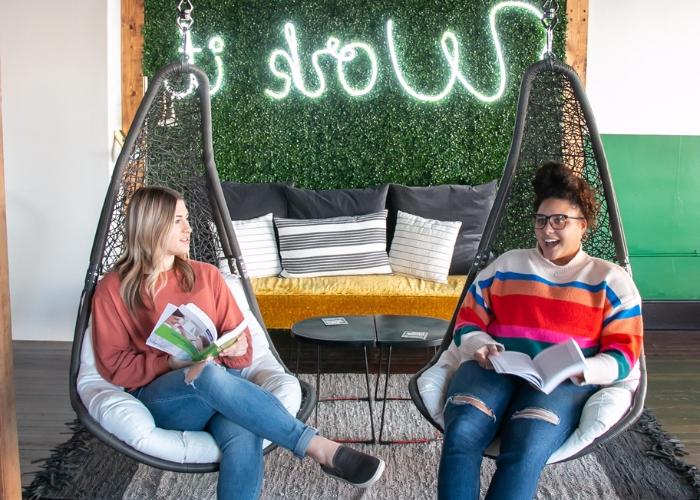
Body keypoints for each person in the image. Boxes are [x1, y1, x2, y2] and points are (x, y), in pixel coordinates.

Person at [91, 186, 385, 499]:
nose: (189, 228)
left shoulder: (207, 276)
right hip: (168, 400)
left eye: (186, 219)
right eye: (178, 220)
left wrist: (235, 347)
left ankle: (319, 449)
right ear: (152, 224)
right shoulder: (114, 288)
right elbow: (114, 365)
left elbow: (241, 344)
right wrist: (171, 363)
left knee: (244, 431)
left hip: (225, 390)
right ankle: (319, 448)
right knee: (206, 374)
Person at [437, 161, 643, 500]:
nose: (548, 230)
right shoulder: (506, 265)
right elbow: (468, 320)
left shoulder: (610, 281)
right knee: (462, 431)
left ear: (584, 226)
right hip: (495, 369)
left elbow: (624, 355)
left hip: (565, 382)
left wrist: (585, 368)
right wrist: (480, 345)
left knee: (528, 442)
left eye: (560, 220)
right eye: (542, 220)